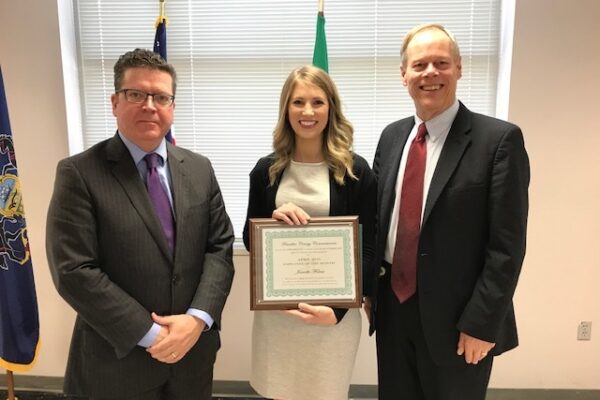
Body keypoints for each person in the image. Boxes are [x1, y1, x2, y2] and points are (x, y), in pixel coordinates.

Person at [46, 48, 235, 400]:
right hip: (116, 365)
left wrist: (196, 319)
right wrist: (153, 334)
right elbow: (74, 270)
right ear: (115, 102)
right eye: (137, 94)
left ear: (172, 107)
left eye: (161, 96)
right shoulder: (79, 173)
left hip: (192, 357)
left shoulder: (199, 169)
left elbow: (219, 249)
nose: (150, 105)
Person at [365, 24, 530, 400]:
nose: (430, 73)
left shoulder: (498, 141)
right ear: (403, 74)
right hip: (393, 310)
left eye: (441, 63)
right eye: (419, 64)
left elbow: (507, 247)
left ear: (459, 68)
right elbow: (378, 222)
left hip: (461, 321)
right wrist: (368, 290)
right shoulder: (392, 137)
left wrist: (482, 324)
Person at [242, 65, 376, 400]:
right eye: (298, 101)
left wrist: (339, 311)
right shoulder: (265, 171)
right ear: (286, 108)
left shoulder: (356, 171)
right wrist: (272, 221)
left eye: (317, 102)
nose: (307, 111)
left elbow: (370, 248)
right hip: (278, 319)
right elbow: (249, 238)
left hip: (333, 319)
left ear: (331, 108)